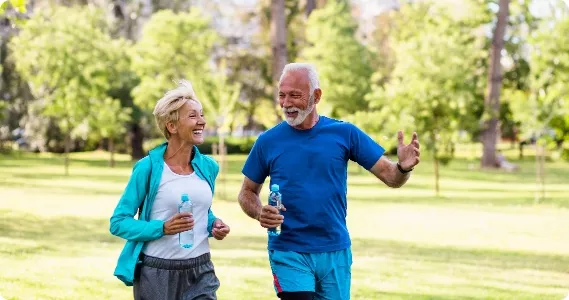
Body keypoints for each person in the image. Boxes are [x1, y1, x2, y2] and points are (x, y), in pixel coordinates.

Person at [237, 63, 420, 300]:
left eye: (295, 95)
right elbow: (246, 193)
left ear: (317, 95)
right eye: (282, 95)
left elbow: (391, 177)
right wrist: (260, 212)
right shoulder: (268, 141)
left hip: (335, 249)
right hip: (288, 250)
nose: (286, 103)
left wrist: (403, 167)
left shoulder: (345, 133)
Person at [110, 80, 230, 300]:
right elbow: (118, 223)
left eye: (201, 115)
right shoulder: (148, 168)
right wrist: (163, 228)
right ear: (172, 126)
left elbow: (202, 210)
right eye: (193, 116)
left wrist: (214, 224)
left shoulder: (209, 167)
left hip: (201, 269)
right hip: (157, 273)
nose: (202, 121)